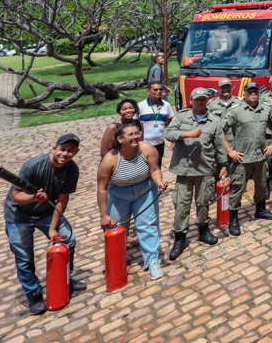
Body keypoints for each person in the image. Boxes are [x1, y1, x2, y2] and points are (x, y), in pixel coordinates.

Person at [4, 134, 84, 315]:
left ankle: (64, 278)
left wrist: (53, 228)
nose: (65, 153)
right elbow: (15, 196)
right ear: (54, 148)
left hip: (46, 212)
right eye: (62, 149)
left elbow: (63, 199)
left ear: (76, 152)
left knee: (68, 240)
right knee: (24, 257)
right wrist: (33, 197)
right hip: (18, 215)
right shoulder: (33, 165)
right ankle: (33, 293)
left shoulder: (71, 169)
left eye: (70, 150)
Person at [97, 124, 167, 280]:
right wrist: (103, 215)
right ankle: (115, 261)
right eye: (130, 134)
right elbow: (102, 189)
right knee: (117, 228)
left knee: (147, 225)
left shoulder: (147, 149)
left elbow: (154, 169)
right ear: (120, 139)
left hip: (145, 191)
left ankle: (152, 261)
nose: (135, 136)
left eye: (137, 133)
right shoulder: (110, 159)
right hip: (118, 195)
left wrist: (159, 182)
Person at [164, 88, 227, 259]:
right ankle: (180, 238)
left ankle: (203, 230)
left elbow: (220, 145)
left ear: (207, 101)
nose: (200, 102)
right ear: (191, 100)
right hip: (184, 170)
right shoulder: (182, 116)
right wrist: (186, 134)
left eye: (203, 100)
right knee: (182, 204)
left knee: (203, 202)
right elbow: (168, 133)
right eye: (197, 99)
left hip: (205, 169)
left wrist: (224, 164)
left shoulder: (214, 121)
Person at [220, 81, 272, 236]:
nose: (253, 94)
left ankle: (261, 209)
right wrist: (229, 151)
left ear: (259, 93)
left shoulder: (265, 109)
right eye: (250, 91)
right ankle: (234, 218)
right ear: (244, 94)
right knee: (238, 188)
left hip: (260, 156)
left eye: (255, 91)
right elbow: (221, 130)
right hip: (242, 158)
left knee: (261, 184)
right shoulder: (236, 111)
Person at [138, 82, 174, 163]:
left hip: (159, 144)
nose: (158, 91)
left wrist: (173, 139)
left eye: (160, 89)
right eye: (155, 89)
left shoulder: (166, 105)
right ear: (148, 91)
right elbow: (134, 125)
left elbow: (170, 124)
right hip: (144, 144)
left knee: (157, 168)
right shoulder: (140, 106)